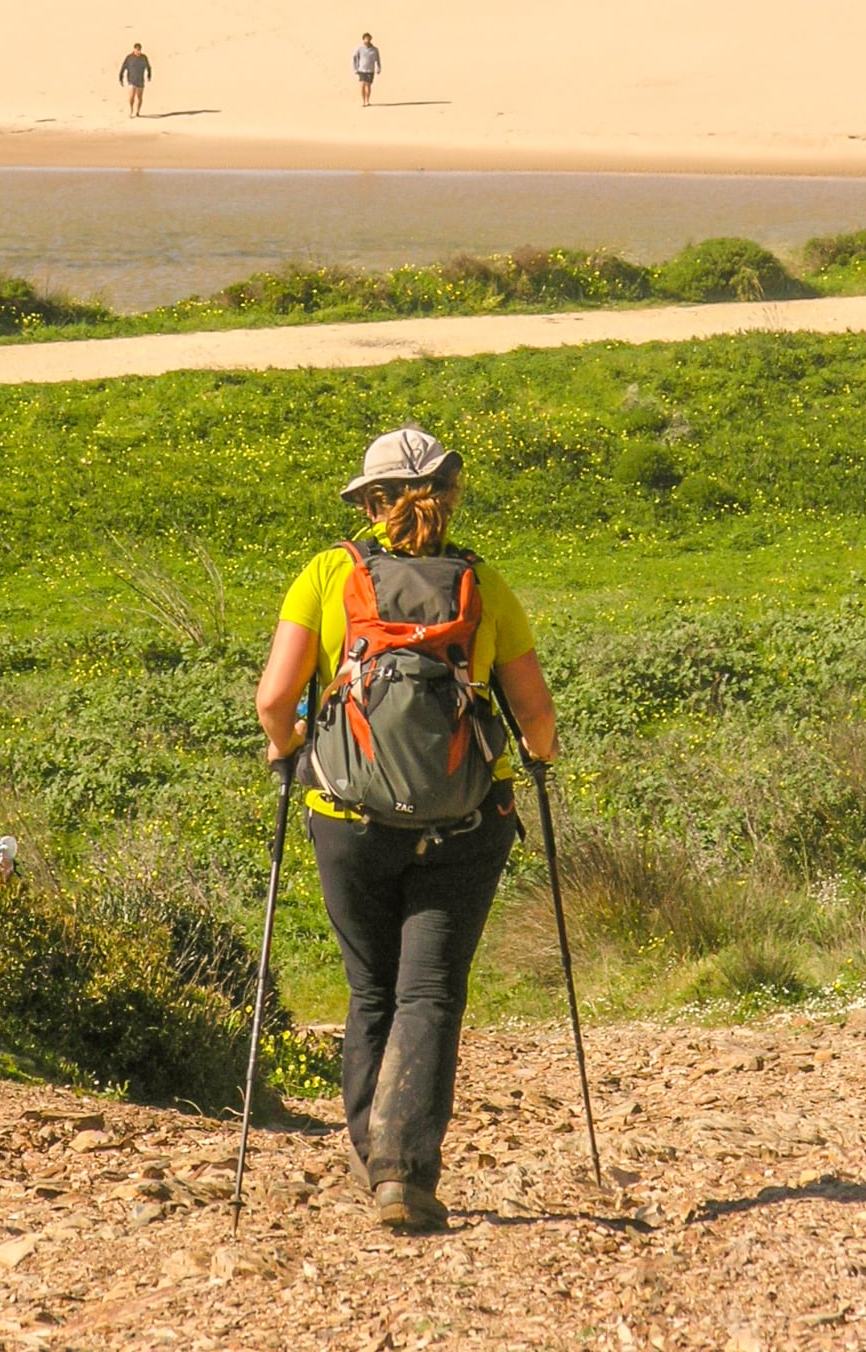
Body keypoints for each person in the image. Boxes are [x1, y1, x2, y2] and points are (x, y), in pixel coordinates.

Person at [254, 423, 558, 1235]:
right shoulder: (483, 583)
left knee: (372, 990)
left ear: (374, 504)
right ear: (449, 499)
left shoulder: (327, 573)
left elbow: (273, 703)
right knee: (431, 992)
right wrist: (538, 759)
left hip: (346, 818)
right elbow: (536, 717)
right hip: (466, 821)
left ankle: (371, 1158)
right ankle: (409, 1171)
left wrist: (289, 757)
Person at [118, 41, 151, 118]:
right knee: (131, 97)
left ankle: (137, 111)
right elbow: (123, 67)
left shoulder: (144, 57)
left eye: (139, 50)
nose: (138, 51)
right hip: (131, 80)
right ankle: (131, 110)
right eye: (137, 50)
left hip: (140, 80)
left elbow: (148, 67)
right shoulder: (129, 58)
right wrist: (120, 78)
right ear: (134, 49)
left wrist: (149, 75)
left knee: (139, 97)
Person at [352, 31, 382, 106]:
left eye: (368, 39)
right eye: (365, 39)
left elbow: (378, 59)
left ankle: (367, 100)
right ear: (363, 39)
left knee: (368, 85)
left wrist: (378, 68)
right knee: (362, 85)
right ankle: (363, 101)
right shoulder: (359, 49)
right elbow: (354, 59)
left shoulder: (374, 49)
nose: (367, 40)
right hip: (361, 69)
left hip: (370, 70)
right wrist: (355, 68)